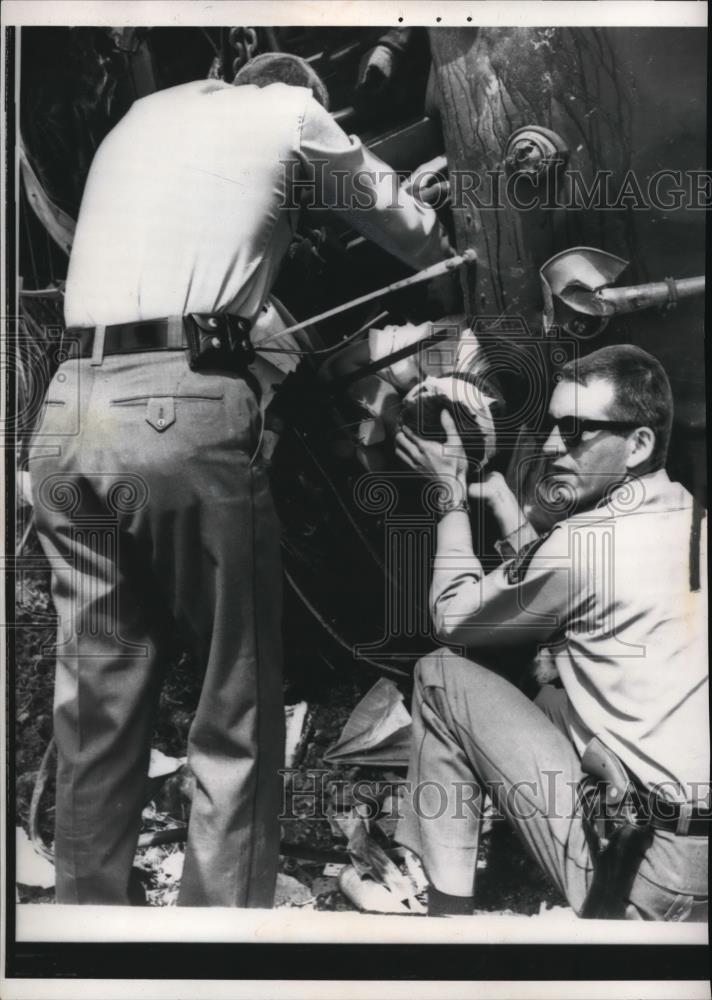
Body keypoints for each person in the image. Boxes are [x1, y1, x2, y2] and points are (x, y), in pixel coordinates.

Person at [28, 52, 448, 907]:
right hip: (178, 408)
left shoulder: (141, 119)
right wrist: (438, 227)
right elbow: (406, 231)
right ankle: (217, 945)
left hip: (68, 409)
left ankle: (88, 932)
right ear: (298, 87)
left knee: (97, 706)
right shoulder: (293, 110)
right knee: (234, 702)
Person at [393, 344, 708, 920]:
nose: (550, 445)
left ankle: (446, 929)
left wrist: (450, 502)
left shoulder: (583, 544)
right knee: (554, 692)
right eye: (552, 426)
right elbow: (565, 592)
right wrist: (507, 505)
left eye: (575, 430)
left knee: (439, 676)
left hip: (645, 879)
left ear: (637, 444)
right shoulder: (693, 518)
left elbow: (453, 615)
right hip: (697, 864)